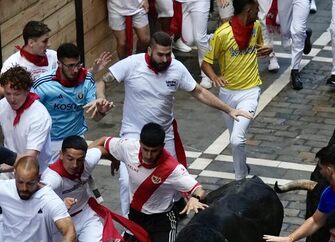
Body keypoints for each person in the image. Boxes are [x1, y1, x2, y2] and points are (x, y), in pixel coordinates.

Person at [105, 31, 252, 214]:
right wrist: (100, 98)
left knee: (172, 181)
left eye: (168, 54)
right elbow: (104, 79)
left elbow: (198, 91)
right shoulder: (132, 64)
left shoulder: (177, 68)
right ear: (149, 51)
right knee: (126, 181)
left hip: (165, 135)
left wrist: (229, 109)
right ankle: (130, 230)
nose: (165, 59)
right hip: (134, 134)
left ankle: (168, 213)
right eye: (160, 54)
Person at [93, 124, 209, 242]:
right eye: (145, 149)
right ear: (139, 143)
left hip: (162, 222)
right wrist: (108, 158)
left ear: (162, 147)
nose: (148, 155)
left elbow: (199, 189)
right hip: (136, 219)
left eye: (154, 151)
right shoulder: (128, 147)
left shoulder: (173, 169)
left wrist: (195, 199)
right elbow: (102, 143)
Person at [42, 136, 129, 242]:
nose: (75, 165)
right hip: (61, 227)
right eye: (70, 159)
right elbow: (37, 206)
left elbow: (103, 148)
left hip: (86, 217)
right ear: (61, 155)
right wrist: (58, 206)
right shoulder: (52, 178)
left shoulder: (88, 160)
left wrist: (114, 160)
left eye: (79, 160)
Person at [201, 0, 272, 180]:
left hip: (250, 91)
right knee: (235, 139)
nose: (259, 11)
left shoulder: (256, 27)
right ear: (249, 10)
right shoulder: (222, 34)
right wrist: (215, 77)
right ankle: (242, 169)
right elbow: (206, 63)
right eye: (257, 8)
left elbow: (260, 49)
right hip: (227, 95)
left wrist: (267, 50)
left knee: (236, 140)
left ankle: (240, 180)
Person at [33, 44, 114, 154]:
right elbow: (30, 111)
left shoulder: (87, 80)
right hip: (49, 141)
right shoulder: (43, 84)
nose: (75, 70)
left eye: (78, 65)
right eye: (70, 66)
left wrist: (101, 111)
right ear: (59, 64)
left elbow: (95, 118)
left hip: (76, 139)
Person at [0, 65, 54, 171]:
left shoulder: (39, 116)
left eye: (17, 94)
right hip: (9, 169)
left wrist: (0, 167)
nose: (12, 99)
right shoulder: (3, 104)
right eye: (8, 94)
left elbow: (30, 156)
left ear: (27, 90)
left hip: (35, 173)